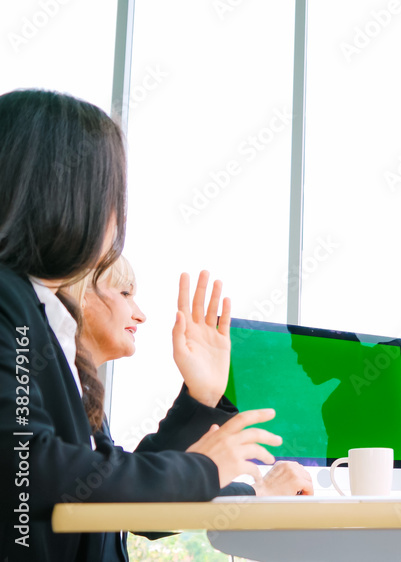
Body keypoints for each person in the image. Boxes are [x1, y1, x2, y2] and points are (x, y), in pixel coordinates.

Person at [0, 89, 279, 561]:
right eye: (109, 195)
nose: (114, 220)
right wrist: (202, 470)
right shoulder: (13, 302)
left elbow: (120, 500)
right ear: (63, 194)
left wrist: (199, 400)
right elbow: (27, 465)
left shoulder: (40, 322)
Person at [65, 256, 312, 498]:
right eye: (125, 294)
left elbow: (143, 499)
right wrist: (258, 491)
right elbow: (117, 492)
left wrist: (203, 396)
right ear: (79, 294)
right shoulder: (52, 393)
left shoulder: (82, 394)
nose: (140, 315)